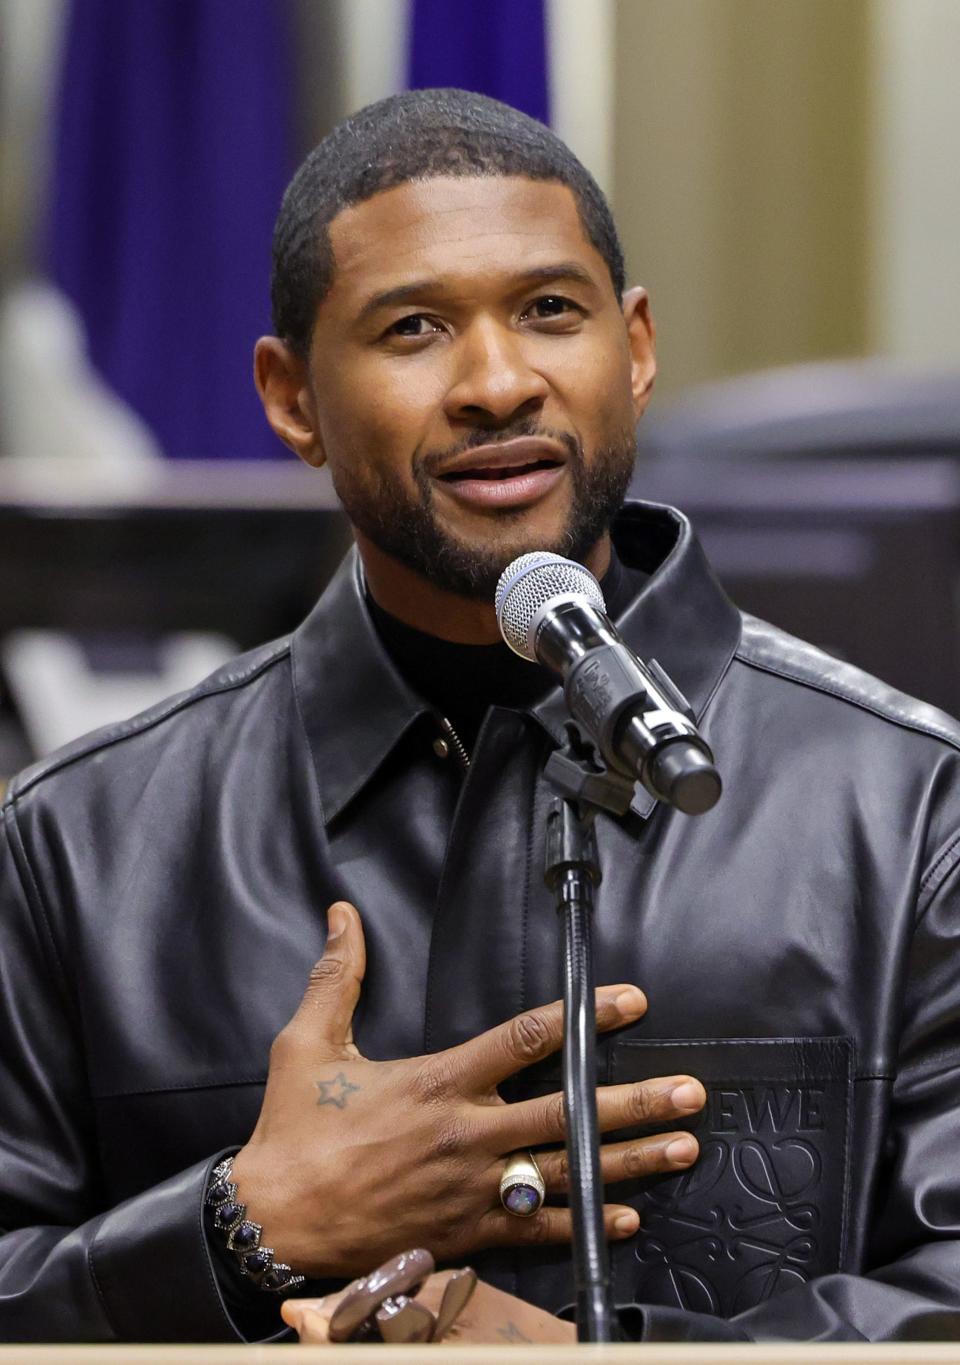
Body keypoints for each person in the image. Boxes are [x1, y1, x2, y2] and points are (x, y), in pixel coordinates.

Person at [1, 88, 959, 1345]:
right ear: (292, 399)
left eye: (550, 311)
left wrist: (591, 1358)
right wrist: (239, 1230)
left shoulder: (907, 808)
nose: (498, 382)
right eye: (412, 329)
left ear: (639, 346)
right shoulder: (79, 840)